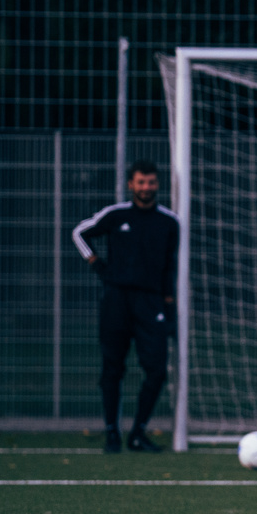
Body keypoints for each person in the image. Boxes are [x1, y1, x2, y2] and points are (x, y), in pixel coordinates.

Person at [71, 160, 179, 454]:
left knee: (156, 370)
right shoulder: (115, 215)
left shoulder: (169, 222)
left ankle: (138, 432)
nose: (146, 188)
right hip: (116, 300)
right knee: (112, 368)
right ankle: (111, 433)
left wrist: (169, 308)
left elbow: (170, 267)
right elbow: (79, 233)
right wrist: (97, 265)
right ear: (131, 184)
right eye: (141, 182)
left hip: (150, 302)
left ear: (157, 184)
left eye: (151, 182)